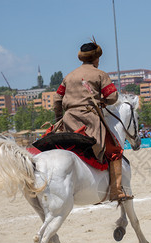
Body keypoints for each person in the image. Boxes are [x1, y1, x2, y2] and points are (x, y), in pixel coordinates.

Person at [53, 39, 132, 201]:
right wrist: (103, 101)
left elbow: (56, 99)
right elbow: (112, 96)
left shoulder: (69, 77)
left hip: (68, 122)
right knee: (115, 151)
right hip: (90, 122)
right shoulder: (100, 74)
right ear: (96, 58)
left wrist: (59, 118)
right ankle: (116, 191)